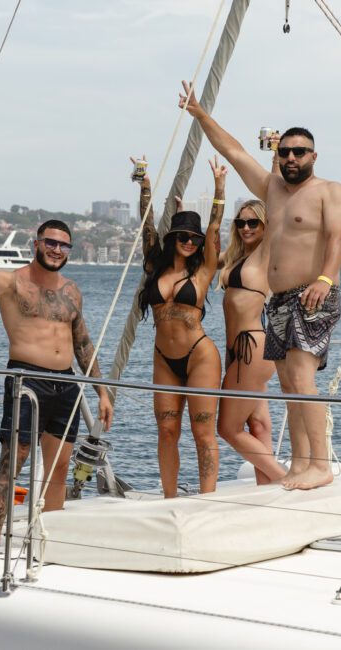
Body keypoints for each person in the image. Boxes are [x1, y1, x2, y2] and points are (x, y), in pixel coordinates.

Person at [179, 80, 341, 490]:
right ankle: (299, 465)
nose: (291, 157)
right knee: (290, 385)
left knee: (303, 380)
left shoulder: (331, 192)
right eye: (285, 152)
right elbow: (235, 151)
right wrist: (200, 113)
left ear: (314, 155)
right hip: (278, 302)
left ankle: (320, 465)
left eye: (299, 151)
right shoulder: (272, 190)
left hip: (315, 292)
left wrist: (325, 280)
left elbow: (337, 240)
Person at [0, 220, 113, 545]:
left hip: (66, 383)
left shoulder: (71, 291)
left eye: (63, 245)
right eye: (51, 243)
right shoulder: (14, 282)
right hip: (27, 379)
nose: (57, 249)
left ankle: (49, 538)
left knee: (58, 467)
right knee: (13, 461)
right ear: (37, 244)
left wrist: (103, 392)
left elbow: (83, 344)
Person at [133, 155, 224, 497]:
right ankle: (168, 496)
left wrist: (219, 187)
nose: (190, 242)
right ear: (173, 237)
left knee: (203, 433)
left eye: (195, 239)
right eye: (184, 236)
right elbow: (146, 224)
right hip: (163, 358)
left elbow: (214, 228)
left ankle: (207, 498)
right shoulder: (154, 267)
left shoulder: (202, 271)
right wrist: (144, 184)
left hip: (200, 356)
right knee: (167, 431)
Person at [217, 198, 286, 484]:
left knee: (228, 428)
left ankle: (285, 479)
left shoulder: (265, 253)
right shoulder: (236, 256)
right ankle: (268, 491)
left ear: (265, 225)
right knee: (258, 425)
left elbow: (277, 203)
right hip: (239, 350)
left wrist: (273, 158)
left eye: (253, 222)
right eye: (240, 222)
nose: (246, 227)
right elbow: (201, 253)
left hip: (251, 346)